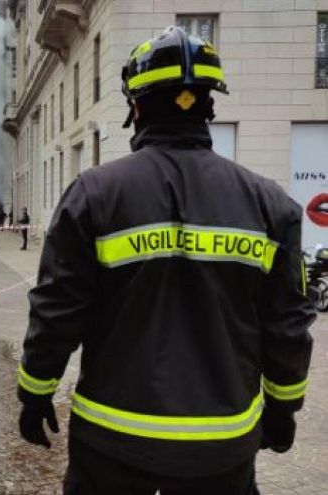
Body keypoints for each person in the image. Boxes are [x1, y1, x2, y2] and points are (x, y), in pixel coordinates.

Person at [17, 26, 315, 495]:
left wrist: (35, 391)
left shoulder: (94, 195)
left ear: (135, 106)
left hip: (112, 441)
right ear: (209, 106)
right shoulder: (269, 204)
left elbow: (57, 308)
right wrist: (282, 409)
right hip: (223, 445)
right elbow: (288, 324)